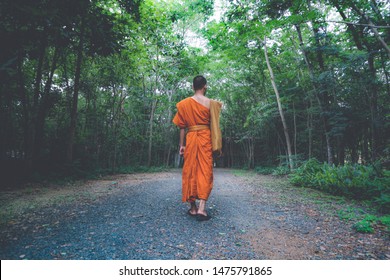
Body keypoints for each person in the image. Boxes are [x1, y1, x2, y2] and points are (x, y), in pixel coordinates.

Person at [172, 75, 221, 221]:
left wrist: (182, 146)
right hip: (205, 138)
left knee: (190, 171)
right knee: (205, 170)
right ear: (205, 86)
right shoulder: (211, 103)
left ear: (193, 87)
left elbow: (182, 127)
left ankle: (192, 208)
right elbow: (214, 126)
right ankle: (201, 209)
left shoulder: (183, 104)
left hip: (191, 137)